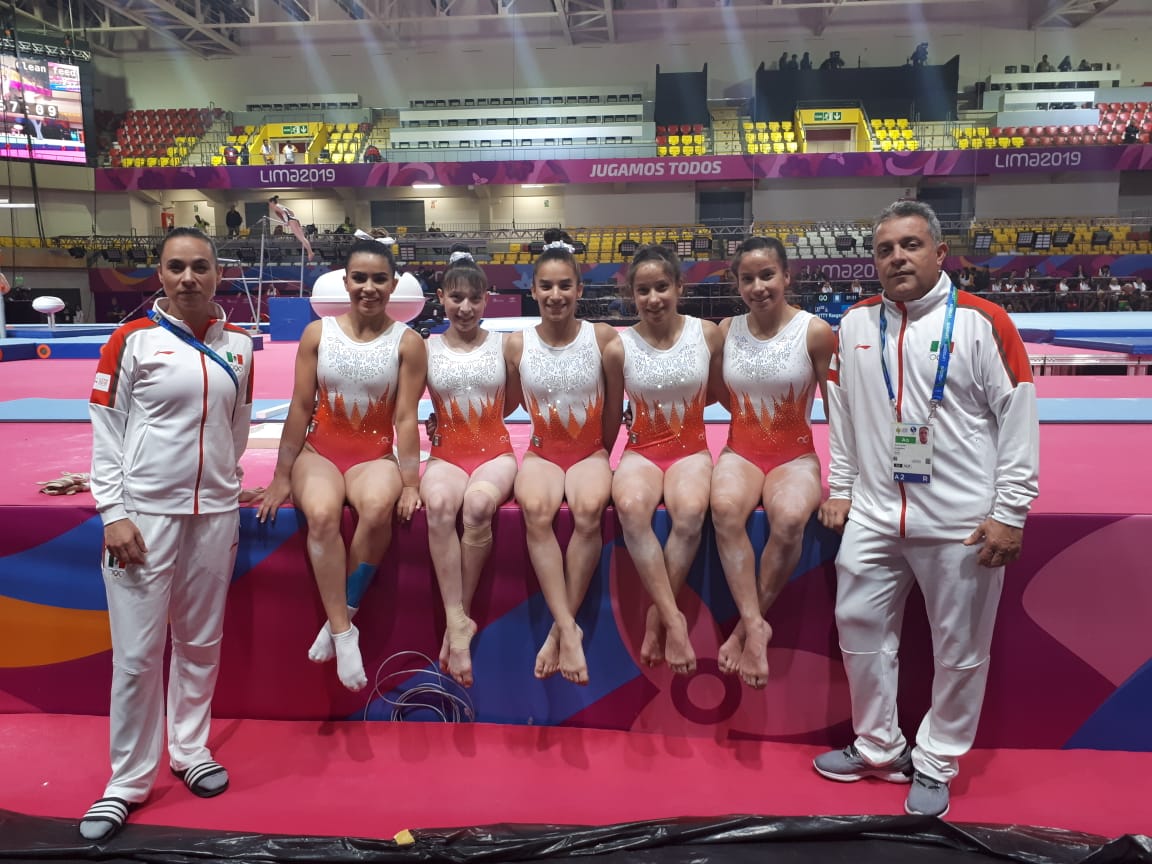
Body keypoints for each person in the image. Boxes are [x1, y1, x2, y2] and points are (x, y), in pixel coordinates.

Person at [813, 200, 1039, 818]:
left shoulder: (984, 322)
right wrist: (842, 488)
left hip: (961, 522)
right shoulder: (855, 323)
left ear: (940, 253)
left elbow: (1018, 418)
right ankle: (877, 745)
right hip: (875, 513)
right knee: (858, 630)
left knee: (961, 649)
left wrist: (1011, 512)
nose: (897, 258)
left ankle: (936, 760)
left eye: (910, 245)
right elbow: (843, 416)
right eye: (885, 249)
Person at [81, 227, 256, 841]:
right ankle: (126, 782)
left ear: (217, 274)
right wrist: (112, 512)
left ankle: (189, 749)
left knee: (201, 643)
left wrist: (226, 482)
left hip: (215, 516)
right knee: (135, 656)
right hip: (144, 518)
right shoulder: (130, 340)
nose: (188, 278)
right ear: (159, 274)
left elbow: (237, 426)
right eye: (176, 267)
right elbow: (106, 429)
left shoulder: (240, 346)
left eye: (200, 266)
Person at [257, 238, 425, 692]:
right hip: (319, 453)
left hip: (375, 455)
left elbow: (406, 418)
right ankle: (344, 634)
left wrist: (411, 482)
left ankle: (341, 617)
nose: (369, 288)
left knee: (378, 507)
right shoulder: (318, 334)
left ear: (394, 286)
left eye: (379, 279)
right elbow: (300, 407)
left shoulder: (408, 343)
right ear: (345, 282)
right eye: (360, 278)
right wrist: (280, 476)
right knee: (322, 513)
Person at [709, 237, 834, 689]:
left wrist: (844, 483)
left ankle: (746, 630)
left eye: (767, 276)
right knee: (724, 509)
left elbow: (837, 409)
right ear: (736, 284)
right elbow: (716, 392)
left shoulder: (814, 332)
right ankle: (755, 625)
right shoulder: (726, 330)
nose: (758, 287)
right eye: (748, 279)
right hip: (740, 451)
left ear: (786, 276)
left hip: (794, 455)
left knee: (790, 518)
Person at [506, 231, 624, 685]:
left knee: (590, 509)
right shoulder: (517, 344)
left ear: (579, 289)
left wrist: (601, 451)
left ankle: (560, 631)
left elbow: (613, 406)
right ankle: (568, 629)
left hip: (589, 450)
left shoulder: (602, 337)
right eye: (546, 286)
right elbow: (505, 403)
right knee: (536, 509)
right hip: (542, 452)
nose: (555, 295)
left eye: (564, 286)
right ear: (533, 290)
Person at [601, 245, 724, 675]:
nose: (653, 299)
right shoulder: (618, 348)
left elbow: (726, 392)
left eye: (661, 287)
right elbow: (611, 413)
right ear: (631, 295)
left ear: (679, 287)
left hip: (691, 449)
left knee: (689, 511)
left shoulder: (707, 335)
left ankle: (656, 619)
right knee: (630, 506)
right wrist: (600, 458)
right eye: (643, 291)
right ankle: (674, 619)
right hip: (641, 450)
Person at [421, 246, 520, 687]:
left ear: (487, 300)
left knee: (478, 507)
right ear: (441, 297)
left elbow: (513, 401)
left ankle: (456, 626)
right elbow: (403, 408)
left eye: (474, 299)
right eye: (456, 297)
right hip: (446, 455)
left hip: (494, 452)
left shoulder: (504, 345)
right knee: (440, 505)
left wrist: (482, 423)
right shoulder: (426, 348)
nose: (465, 308)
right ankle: (457, 621)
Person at [268, 195, 314, 262]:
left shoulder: (275, 207)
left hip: (291, 221)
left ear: (272, 202)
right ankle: (310, 252)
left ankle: (310, 253)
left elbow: (283, 213)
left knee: (301, 239)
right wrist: (289, 219)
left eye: (269, 204)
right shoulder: (280, 206)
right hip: (295, 220)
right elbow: (291, 212)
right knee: (303, 238)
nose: (269, 205)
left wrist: (287, 221)